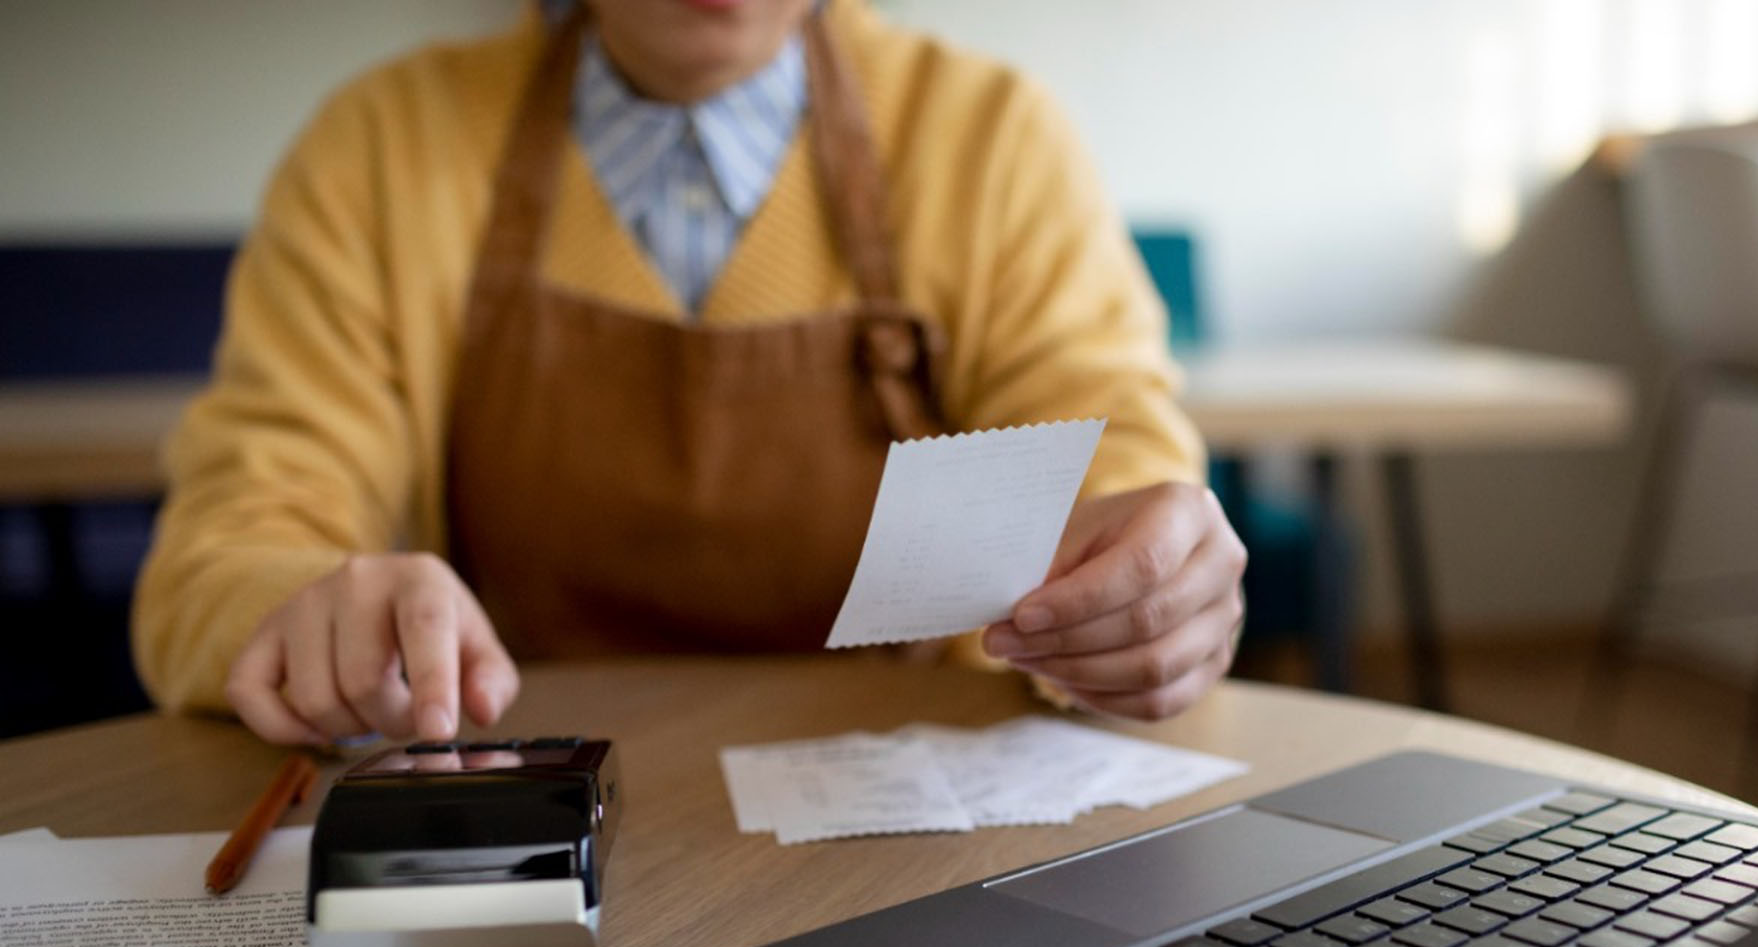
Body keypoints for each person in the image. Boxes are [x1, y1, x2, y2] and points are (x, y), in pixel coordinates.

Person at [132, 0, 1246, 748]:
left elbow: (1112, 461)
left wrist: (1141, 581)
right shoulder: (377, 150)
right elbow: (230, 545)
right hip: (512, 810)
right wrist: (305, 608)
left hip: (923, 805)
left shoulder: (992, 138)